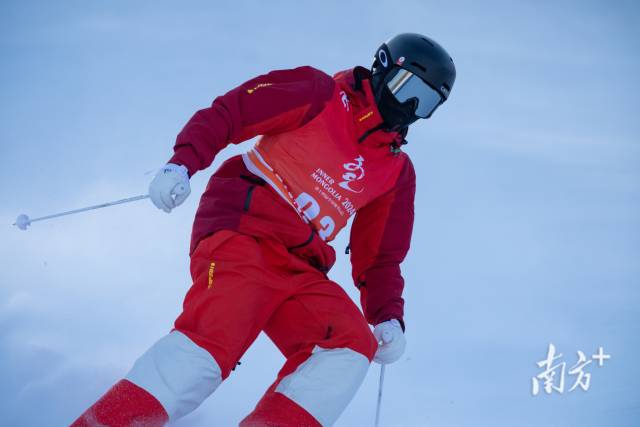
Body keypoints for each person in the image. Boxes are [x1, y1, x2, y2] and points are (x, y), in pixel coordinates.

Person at [71, 33, 456, 427]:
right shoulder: (319, 93)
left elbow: (380, 257)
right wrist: (182, 163)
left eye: (425, 103)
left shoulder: (395, 172)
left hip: (300, 267)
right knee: (210, 346)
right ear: (382, 68)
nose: (409, 107)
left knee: (349, 344)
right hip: (246, 229)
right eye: (406, 88)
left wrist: (387, 315)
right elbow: (232, 111)